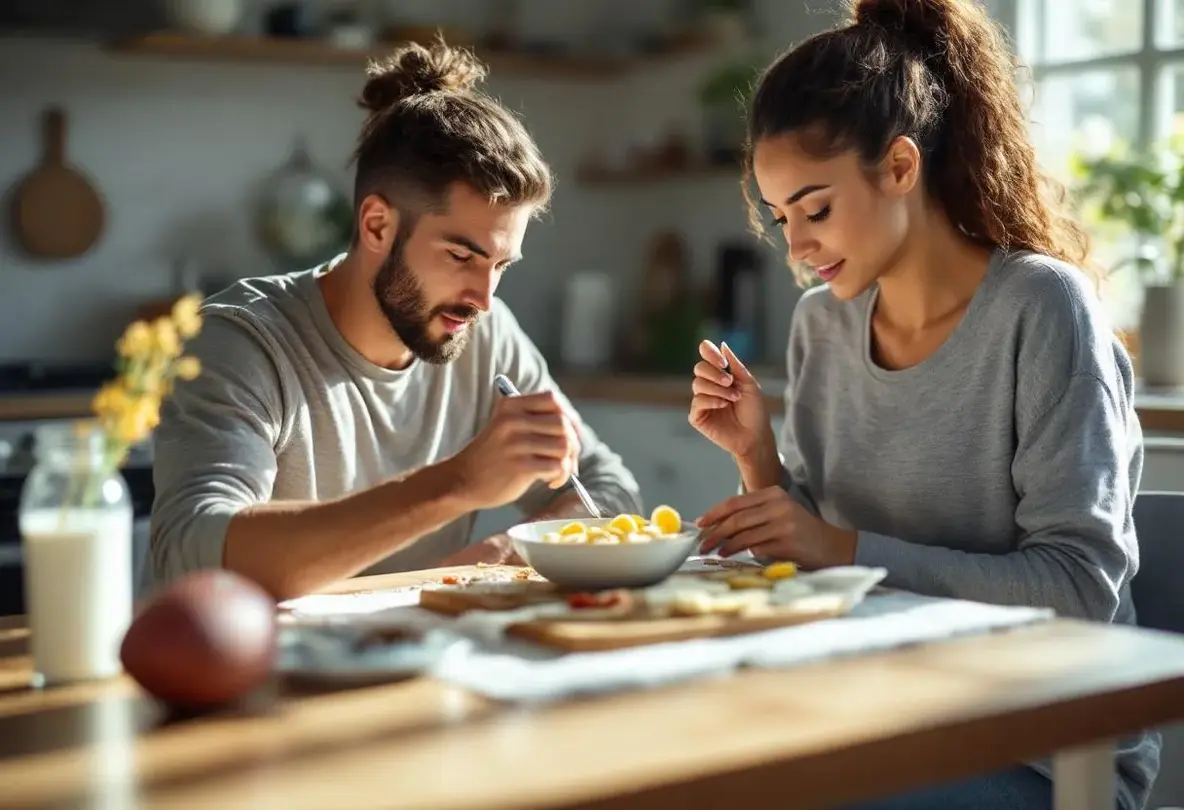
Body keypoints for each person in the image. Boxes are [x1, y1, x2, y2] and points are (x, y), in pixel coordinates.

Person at [688, 1, 1157, 808]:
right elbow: (815, 551)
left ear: (900, 166)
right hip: (875, 711)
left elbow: (1079, 587)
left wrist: (837, 546)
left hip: (1038, 752)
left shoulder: (1042, 310)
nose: (796, 248)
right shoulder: (821, 326)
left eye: (817, 208)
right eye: (782, 219)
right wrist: (755, 457)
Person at [149, 39, 641, 601]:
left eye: (501, 265)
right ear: (377, 226)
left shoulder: (486, 335)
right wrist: (456, 486)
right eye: (461, 256)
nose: (482, 297)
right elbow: (193, 555)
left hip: (412, 666)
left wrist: (499, 553)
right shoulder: (243, 341)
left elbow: (609, 489)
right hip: (245, 673)